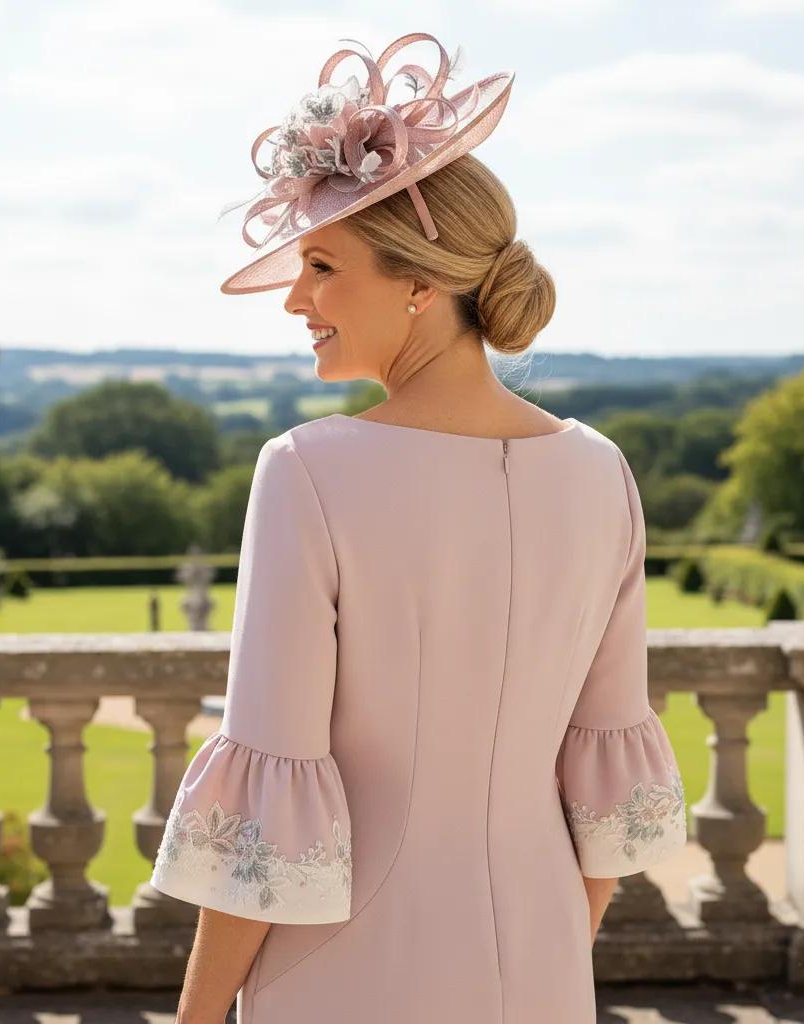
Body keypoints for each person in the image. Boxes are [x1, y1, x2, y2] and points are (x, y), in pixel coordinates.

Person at [149, 30, 686, 1024]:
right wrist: (546, 960)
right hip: (543, 963)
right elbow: (605, 782)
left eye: (320, 264)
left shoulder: (307, 470)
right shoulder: (601, 471)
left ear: (419, 283)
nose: (296, 298)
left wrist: (194, 1018)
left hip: (348, 971)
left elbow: (267, 808)